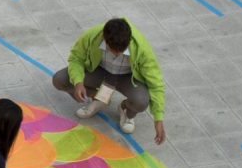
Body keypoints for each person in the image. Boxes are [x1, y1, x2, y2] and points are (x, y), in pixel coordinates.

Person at [52, 17, 166, 145]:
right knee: (60, 79)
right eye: (113, 50)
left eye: (122, 50)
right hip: (101, 72)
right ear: (104, 39)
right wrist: (78, 82)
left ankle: (126, 110)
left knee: (141, 101)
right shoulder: (92, 36)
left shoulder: (142, 49)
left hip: (126, 78)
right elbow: (76, 58)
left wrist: (158, 119)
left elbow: (156, 84)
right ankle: (100, 98)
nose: (117, 54)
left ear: (129, 41)